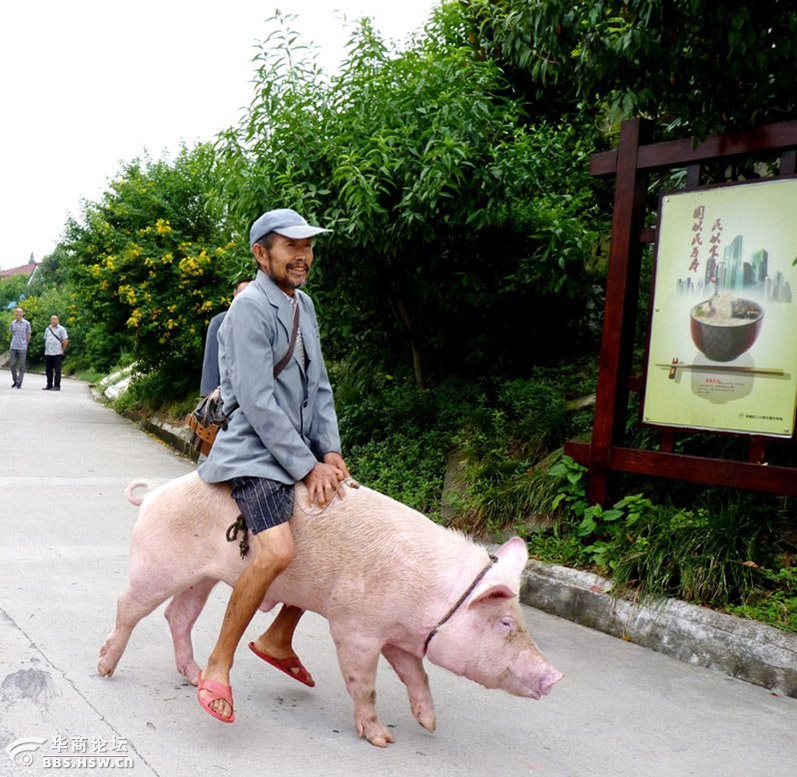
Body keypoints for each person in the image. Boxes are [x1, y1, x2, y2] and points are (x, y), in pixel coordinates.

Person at [196, 208, 349, 723]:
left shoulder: (303, 303)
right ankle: (219, 662)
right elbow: (259, 402)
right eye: (290, 246)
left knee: (337, 528)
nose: (302, 255)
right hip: (255, 449)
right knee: (278, 550)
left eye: (307, 246)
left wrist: (329, 451)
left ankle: (278, 636)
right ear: (262, 254)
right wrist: (308, 466)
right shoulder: (249, 310)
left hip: (300, 448)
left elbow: (320, 385)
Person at [199, 278, 251, 397]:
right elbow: (211, 364)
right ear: (234, 298)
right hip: (228, 398)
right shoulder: (221, 321)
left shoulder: (267, 322)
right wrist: (209, 396)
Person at [43, 314, 69, 391]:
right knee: (48, 370)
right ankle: (49, 384)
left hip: (57, 352)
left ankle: (57, 385)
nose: (53, 321)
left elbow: (65, 340)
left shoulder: (61, 329)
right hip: (48, 352)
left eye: (55, 319)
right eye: (52, 319)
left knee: (57, 370)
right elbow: (45, 338)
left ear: (58, 320)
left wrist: (63, 349)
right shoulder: (47, 329)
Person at [9, 307, 32, 388]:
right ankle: (15, 380)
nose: (18, 314)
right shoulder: (12, 323)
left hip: (22, 347)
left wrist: (26, 343)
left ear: (22, 314)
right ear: (15, 314)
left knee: (22, 365)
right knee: (12, 364)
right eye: (17, 313)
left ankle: (19, 382)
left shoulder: (27, 324)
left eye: (20, 313)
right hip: (14, 346)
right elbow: (12, 334)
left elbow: (28, 335)